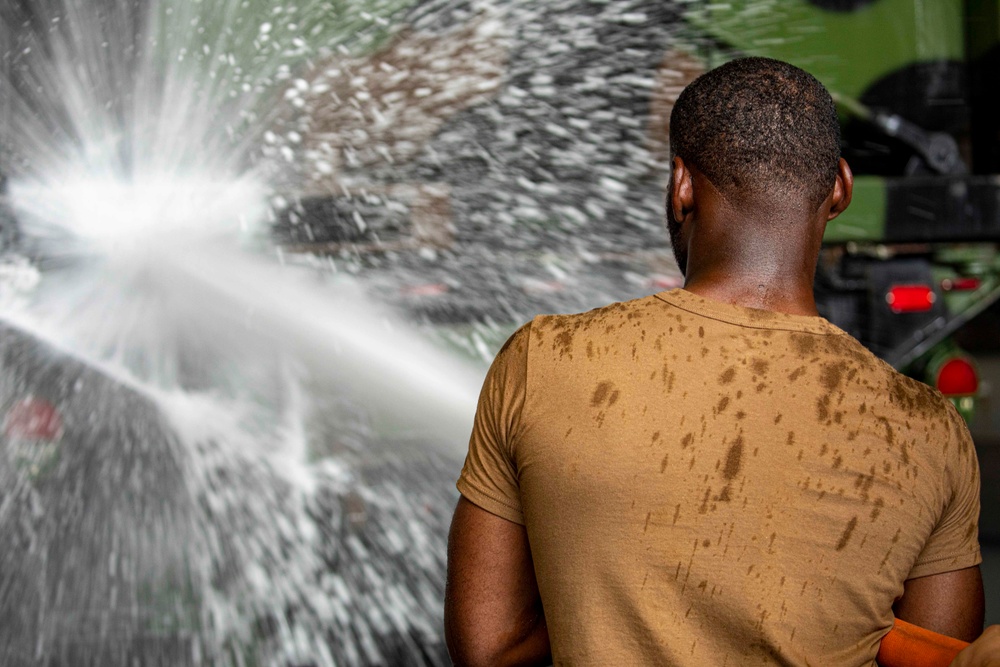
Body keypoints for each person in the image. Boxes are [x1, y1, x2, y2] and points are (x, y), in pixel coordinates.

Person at [444, 56, 985, 666]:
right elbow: (947, 656)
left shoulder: (543, 360)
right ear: (839, 188)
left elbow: (486, 650)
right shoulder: (930, 431)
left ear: (681, 185)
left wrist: (597, 574)